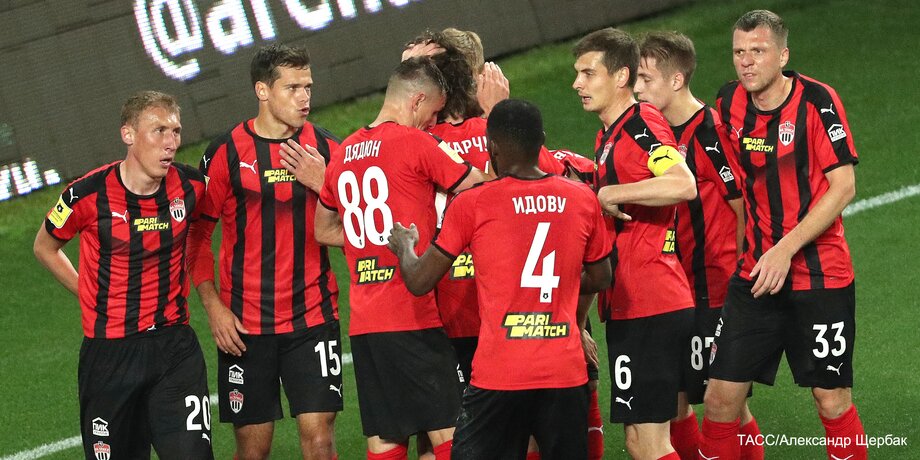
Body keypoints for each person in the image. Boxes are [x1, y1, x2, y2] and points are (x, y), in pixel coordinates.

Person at [404, 29, 605, 459]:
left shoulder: (422, 143)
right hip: (529, 317)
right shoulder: (505, 135)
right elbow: (556, 197)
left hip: (468, 319)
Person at [699, 10, 866, 460]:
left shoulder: (816, 101)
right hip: (755, 277)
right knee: (719, 400)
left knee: (831, 399)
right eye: (739, 52)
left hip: (820, 276)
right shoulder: (728, 102)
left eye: (758, 51)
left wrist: (784, 249)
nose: (746, 61)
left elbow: (843, 186)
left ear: (783, 55)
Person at [315, 57, 487, 460]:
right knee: (451, 432)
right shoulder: (414, 143)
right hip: (411, 314)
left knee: (386, 438)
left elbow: (322, 229)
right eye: (433, 113)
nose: (433, 122)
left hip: (366, 324)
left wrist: (368, 245)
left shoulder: (343, 153)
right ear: (417, 100)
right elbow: (478, 186)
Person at [33, 91, 213, 459]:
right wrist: (87, 292)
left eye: (176, 131)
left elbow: (201, 234)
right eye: (159, 130)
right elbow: (44, 246)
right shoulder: (86, 194)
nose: (171, 143)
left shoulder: (191, 186)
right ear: (128, 134)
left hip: (174, 347)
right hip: (110, 355)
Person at [187, 44, 342, 460]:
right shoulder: (226, 152)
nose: (305, 98)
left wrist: (324, 183)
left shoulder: (327, 148)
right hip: (244, 327)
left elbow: (361, 227)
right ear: (262, 90)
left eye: (308, 87)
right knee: (253, 449)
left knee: (320, 440)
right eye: (292, 88)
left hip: (313, 317)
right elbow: (197, 236)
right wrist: (214, 308)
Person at [633, 31, 763, 460]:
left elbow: (744, 208)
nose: (637, 88)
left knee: (727, 405)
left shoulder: (710, 131)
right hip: (675, 288)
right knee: (674, 399)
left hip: (716, 287)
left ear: (676, 80)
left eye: (645, 79)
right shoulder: (653, 134)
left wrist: (743, 278)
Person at [572, 28, 698, 460]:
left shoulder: (641, 123)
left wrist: (612, 193)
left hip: (649, 302)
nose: (577, 83)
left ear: (621, 76)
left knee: (646, 442)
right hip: (637, 302)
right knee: (653, 433)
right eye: (577, 73)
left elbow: (682, 183)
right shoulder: (609, 136)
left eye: (589, 73)